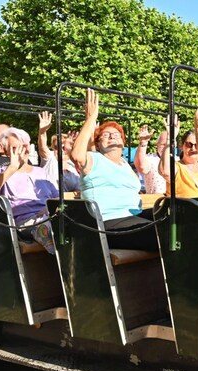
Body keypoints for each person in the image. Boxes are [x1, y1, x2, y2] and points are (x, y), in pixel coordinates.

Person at [71, 88, 157, 251]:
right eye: (105, 135)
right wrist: (90, 118)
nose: (112, 136)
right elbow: (76, 154)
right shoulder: (93, 159)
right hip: (108, 222)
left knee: (175, 216)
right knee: (162, 232)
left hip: (134, 215)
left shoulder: (125, 165)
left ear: (123, 143)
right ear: (97, 145)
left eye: (116, 134)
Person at [0, 128, 58, 254]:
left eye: (25, 145)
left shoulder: (41, 171)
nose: (23, 150)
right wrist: (12, 168)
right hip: (26, 221)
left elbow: (57, 197)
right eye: (16, 148)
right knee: (51, 230)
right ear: (7, 151)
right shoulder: (2, 172)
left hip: (48, 215)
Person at [153, 119, 198, 198]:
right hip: (189, 209)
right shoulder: (177, 167)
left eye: (197, 145)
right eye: (189, 144)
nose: (193, 148)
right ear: (182, 146)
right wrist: (170, 139)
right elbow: (164, 171)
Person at [37, 111, 80, 192]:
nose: (61, 150)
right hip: (49, 201)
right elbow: (42, 146)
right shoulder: (50, 158)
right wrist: (42, 132)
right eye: (57, 147)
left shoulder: (73, 166)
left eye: (64, 147)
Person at [133, 123, 167, 195]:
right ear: (157, 144)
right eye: (163, 144)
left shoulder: (178, 160)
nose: (166, 148)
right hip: (156, 202)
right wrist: (143, 143)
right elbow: (141, 167)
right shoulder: (151, 160)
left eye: (169, 144)